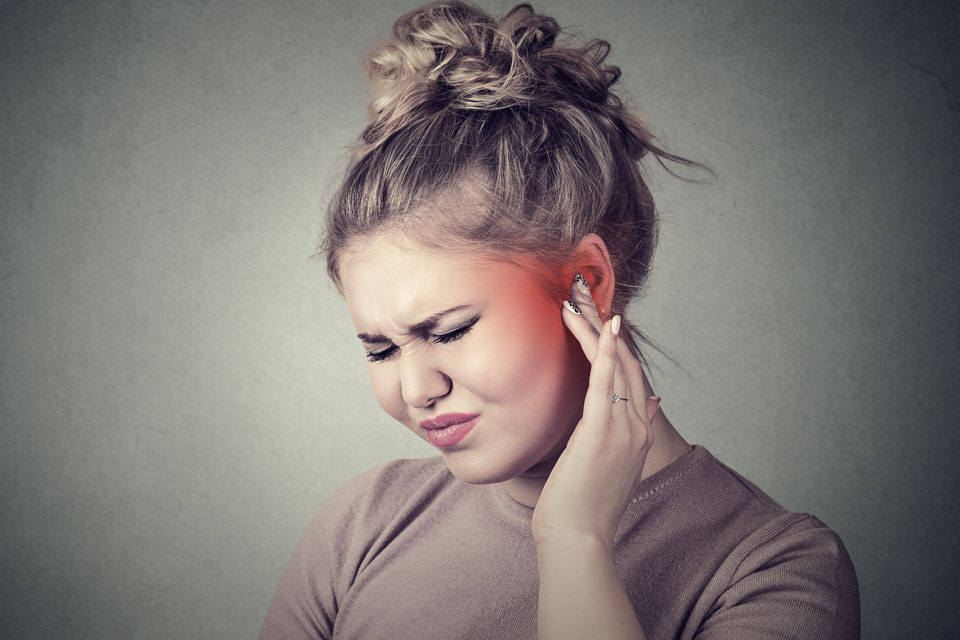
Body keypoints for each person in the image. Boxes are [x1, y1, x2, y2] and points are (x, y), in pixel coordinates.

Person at [259, 2, 860, 638]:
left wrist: (574, 540)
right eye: (380, 350)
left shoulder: (773, 571)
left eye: (449, 330)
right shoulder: (363, 525)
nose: (415, 390)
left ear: (587, 284)